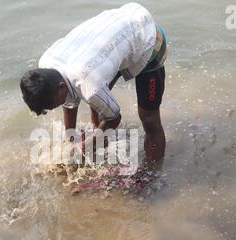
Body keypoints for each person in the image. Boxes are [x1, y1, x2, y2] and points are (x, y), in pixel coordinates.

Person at [20, 2, 168, 161]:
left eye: (52, 105)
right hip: (113, 40)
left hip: (147, 37)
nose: (54, 107)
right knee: (98, 108)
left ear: (61, 87)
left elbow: (114, 117)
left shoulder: (89, 84)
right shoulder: (46, 64)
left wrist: (84, 146)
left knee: (149, 119)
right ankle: (100, 145)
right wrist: (70, 138)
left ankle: (154, 177)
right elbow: (69, 101)